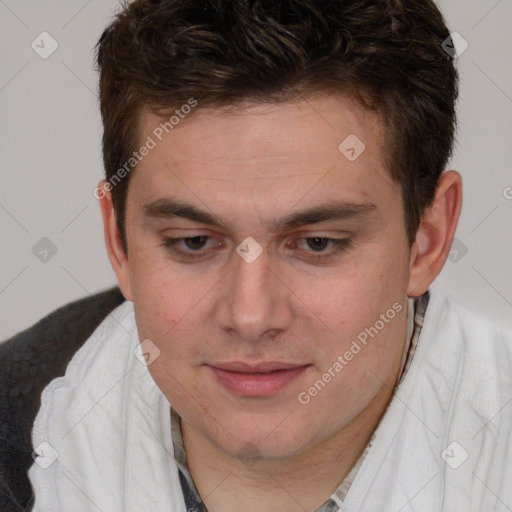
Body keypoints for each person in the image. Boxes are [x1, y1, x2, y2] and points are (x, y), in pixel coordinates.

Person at [2, 0, 512, 511]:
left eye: (317, 243)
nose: (250, 316)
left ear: (427, 238)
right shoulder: (14, 434)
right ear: (120, 242)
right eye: (194, 242)